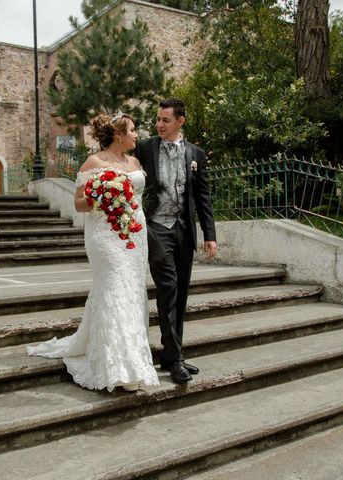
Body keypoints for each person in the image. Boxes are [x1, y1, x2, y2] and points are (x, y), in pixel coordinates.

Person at [27, 112, 159, 393]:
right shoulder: (93, 163)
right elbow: (78, 203)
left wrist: (122, 194)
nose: (137, 135)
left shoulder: (135, 162)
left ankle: (132, 360)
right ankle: (116, 366)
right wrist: (104, 196)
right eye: (133, 130)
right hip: (104, 236)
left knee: (132, 290)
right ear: (119, 135)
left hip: (134, 234)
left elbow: (137, 195)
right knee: (113, 288)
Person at [134, 98, 217, 385]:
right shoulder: (145, 148)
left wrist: (210, 235)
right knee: (168, 288)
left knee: (180, 294)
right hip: (157, 227)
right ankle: (175, 358)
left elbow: (203, 197)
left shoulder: (196, 153)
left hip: (184, 230)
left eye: (165, 120)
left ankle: (171, 355)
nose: (159, 124)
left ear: (180, 121)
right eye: (157, 119)